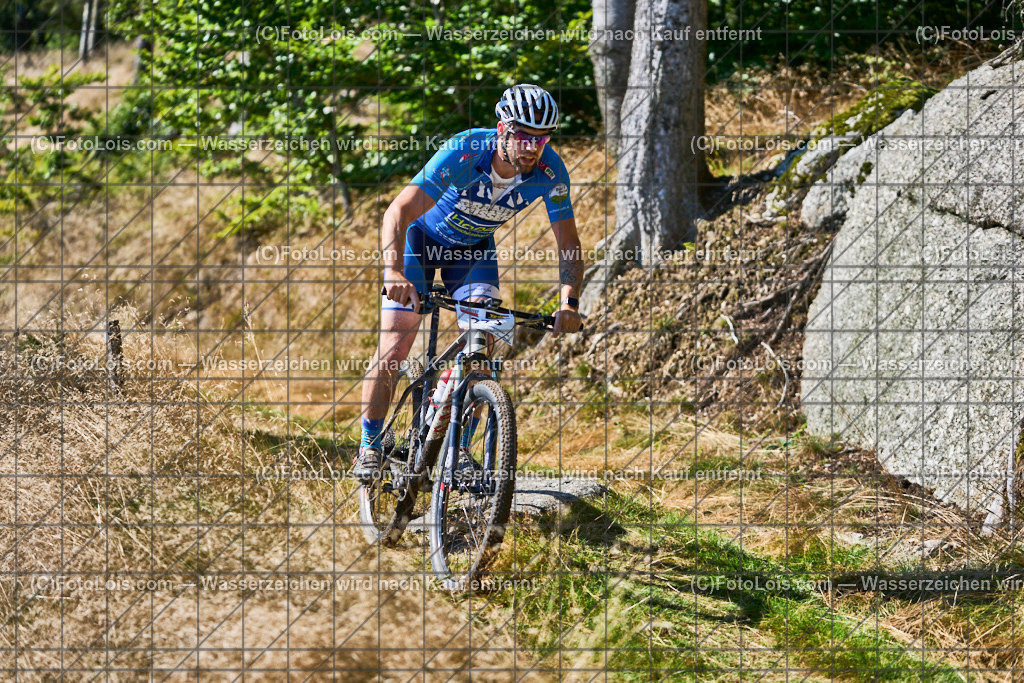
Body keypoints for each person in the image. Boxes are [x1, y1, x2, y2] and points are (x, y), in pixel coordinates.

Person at [353, 83, 584, 480]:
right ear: (502, 129)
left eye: (542, 138)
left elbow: (569, 244)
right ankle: (369, 446)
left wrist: (569, 303)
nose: (532, 147)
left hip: (472, 251)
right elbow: (398, 212)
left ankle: (457, 450)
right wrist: (393, 272)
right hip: (420, 242)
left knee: (482, 346)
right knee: (395, 343)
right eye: (524, 136)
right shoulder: (464, 149)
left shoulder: (550, 171)